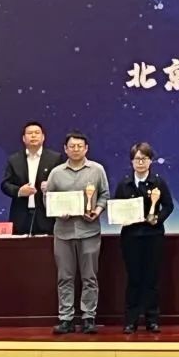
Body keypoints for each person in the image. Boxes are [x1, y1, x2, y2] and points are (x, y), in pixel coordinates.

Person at [45, 131, 109, 334]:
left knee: (89, 277)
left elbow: (104, 194)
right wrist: (57, 211)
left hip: (89, 231)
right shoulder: (56, 173)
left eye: (79, 146)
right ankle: (66, 318)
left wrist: (97, 211)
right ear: (65, 149)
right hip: (63, 232)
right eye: (72, 146)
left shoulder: (97, 170)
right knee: (65, 277)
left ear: (86, 148)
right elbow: (48, 198)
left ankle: (89, 317)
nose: (76, 149)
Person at [114, 142, 174, 334]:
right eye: (137, 159)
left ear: (150, 161)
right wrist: (120, 217)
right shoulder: (124, 183)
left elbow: (169, 206)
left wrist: (157, 219)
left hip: (153, 236)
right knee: (133, 278)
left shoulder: (158, 182)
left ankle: (152, 319)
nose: (140, 162)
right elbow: (117, 207)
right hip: (131, 237)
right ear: (131, 161)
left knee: (151, 278)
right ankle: (131, 321)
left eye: (144, 159)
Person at [0, 120, 63, 235]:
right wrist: (19, 191)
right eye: (29, 133)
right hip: (21, 216)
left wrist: (51, 187)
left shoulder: (55, 158)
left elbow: (63, 184)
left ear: (43, 137)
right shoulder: (14, 159)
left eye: (37, 133)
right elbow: (5, 184)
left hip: (46, 216)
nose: (33, 136)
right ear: (24, 138)